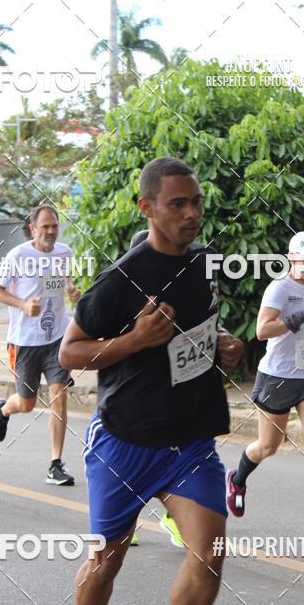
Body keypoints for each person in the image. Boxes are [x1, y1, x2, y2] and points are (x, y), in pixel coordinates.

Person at [59, 156, 243, 605]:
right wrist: (136, 339)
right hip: (125, 443)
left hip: (188, 443)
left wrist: (226, 344)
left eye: (196, 203)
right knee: (107, 560)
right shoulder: (120, 282)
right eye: (177, 204)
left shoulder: (207, 263)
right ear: (147, 207)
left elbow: (200, 333)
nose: (191, 214)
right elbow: (70, 353)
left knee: (210, 553)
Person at [226, 231, 304, 542]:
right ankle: (237, 480)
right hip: (278, 376)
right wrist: (301, 314)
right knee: (268, 446)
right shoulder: (279, 288)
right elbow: (263, 331)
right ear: (293, 257)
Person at [0, 205, 81, 485]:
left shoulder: (64, 252)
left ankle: (55, 464)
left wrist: (71, 290)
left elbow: (64, 280)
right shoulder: (17, 256)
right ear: (33, 229)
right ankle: (5, 409)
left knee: (59, 395)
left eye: (54, 226)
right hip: (25, 342)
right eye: (45, 227)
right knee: (27, 404)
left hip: (57, 337)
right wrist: (22, 304)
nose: (51, 232)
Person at [126, 228, 184, 550]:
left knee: (175, 464)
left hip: (173, 399)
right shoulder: (122, 301)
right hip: (134, 405)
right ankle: (128, 523)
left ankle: (174, 518)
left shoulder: (178, 293)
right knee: (136, 468)